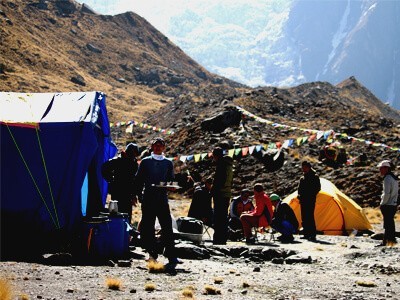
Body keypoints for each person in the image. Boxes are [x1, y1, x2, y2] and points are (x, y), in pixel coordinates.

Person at [135, 137, 180, 267]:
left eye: (161, 145)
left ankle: (172, 255)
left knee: (167, 227)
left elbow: (171, 180)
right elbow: (139, 180)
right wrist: (138, 195)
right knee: (148, 228)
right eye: (156, 145)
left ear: (164, 148)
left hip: (162, 200)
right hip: (148, 199)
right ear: (152, 147)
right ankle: (152, 254)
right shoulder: (145, 162)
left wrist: (171, 186)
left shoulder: (168, 163)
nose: (158, 147)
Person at [101, 143, 140, 223]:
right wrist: (111, 180)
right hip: (117, 191)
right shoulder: (118, 160)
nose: (133, 155)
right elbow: (104, 168)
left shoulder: (134, 164)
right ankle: (116, 231)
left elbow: (134, 180)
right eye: (131, 153)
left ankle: (126, 232)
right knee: (116, 213)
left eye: (134, 154)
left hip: (128, 193)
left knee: (127, 214)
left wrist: (134, 194)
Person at [211, 147, 233, 245]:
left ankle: (218, 239)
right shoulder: (229, 165)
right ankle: (223, 238)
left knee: (218, 217)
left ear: (215, 155)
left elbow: (219, 181)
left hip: (219, 194)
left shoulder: (221, 165)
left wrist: (212, 191)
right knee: (223, 217)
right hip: (227, 193)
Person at [297, 161, 321, 242]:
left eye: (304, 167)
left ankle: (312, 234)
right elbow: (299, 189)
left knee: (310, 217)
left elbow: (317, 188)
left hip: (310, 200)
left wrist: (310, 194)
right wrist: (299, 195)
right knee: (304, 217)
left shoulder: (314, 177)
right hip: (303, 200)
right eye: (302, 167)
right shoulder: (302, 178)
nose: (303, 169)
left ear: (309, 167)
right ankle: (306, 234)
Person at [377, 160, 398, 246]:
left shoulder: (387, 178)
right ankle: (389, 241)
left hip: (388, 204)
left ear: (386, 168)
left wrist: (382, 203)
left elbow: (386, 193)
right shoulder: (393, 177)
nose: (380, 170)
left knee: (387, 224)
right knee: (390, 224)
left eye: (381, 168)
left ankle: (387, 241)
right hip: (393, 203)